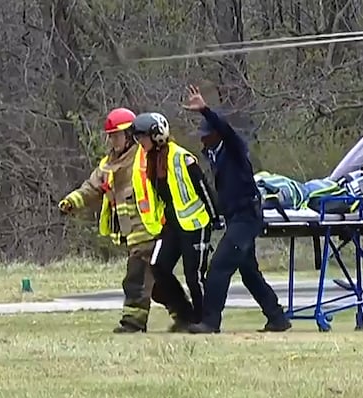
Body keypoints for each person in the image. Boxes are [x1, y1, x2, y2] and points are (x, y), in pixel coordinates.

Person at [58, 107, 194, 333]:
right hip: (131, 234)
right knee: (157, 284)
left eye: (116, 135)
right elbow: (91, 187)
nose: (112, 140)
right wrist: (72, 201)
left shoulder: (143, 157)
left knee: (136, 277)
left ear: (130, 134)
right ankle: (186, 315)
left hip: (150, 231)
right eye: (110, 136)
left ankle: (132, 323)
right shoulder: (108, 164)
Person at [181, 85, 291, 334]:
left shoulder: (234, 149)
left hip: (246, 217)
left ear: (216, 134)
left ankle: (210, 322)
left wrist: (205, 110)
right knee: (249, 271)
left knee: (219, 266)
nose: (202, 138)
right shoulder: (214, 155)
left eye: (206, 134)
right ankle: (277, 317)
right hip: (235, 218)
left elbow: (226, 130)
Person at [130, 111, 222, 331]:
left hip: (195, 224)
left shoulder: (182, 158)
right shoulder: (152, 162)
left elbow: (204, 189)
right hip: (171, 224)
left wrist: (216, 217)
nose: (140, 142)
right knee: (158, 267)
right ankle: (184, 313)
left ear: (156, 135)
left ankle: (205, 320)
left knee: (194, 275)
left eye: (142, 137)